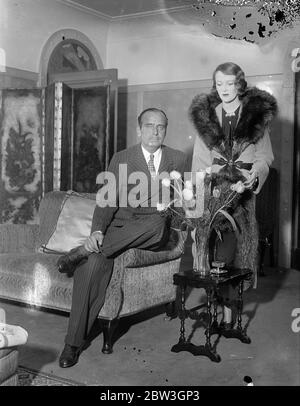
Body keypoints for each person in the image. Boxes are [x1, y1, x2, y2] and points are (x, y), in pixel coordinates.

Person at [57, 108, 188, 368]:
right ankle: (72, 344)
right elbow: (106, 201)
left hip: (155, 230)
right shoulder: (122, 158)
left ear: (166, 130)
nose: (155, 131)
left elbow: (181, 202)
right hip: (120, 230)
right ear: (139, 130)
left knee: (157, 221)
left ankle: (82, 250)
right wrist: (96, 231)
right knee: (91, 265)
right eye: (149, 126)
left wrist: (183, 214)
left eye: (160, 126)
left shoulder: (178, 159)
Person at [189, 62, 277, 327]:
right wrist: (196, 201)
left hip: (242, 193)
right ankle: (218, 307)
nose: (225, 89)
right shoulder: (207, 118)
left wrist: (256, 173)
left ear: (240, 85)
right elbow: (199, 163)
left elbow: (265, 157)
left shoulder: (255, 116)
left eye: (230, 83)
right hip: (214, 191)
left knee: (236, 253)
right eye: (219, 84)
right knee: (212, 251)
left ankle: (229, 311)